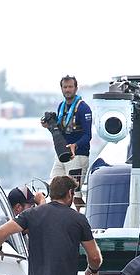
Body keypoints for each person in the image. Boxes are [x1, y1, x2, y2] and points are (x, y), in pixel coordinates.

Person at [0, 175, 102, 275]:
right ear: (70, 193)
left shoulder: (31, 214)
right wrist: (93, 269)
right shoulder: (78, 219)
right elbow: (95, 257)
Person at [43, 75, 92, 208]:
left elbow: (88, 135)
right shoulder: (61, 107)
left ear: (76, 88)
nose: (68, 90)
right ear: (61, 89)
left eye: (70, 87)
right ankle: (56, 218)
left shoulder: (83, 108)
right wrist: (49, 127)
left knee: (75, 194)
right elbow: (61, 131)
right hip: (62, 154)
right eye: (65, 87)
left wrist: (75, 146)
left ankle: (82, 221)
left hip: (78, 155)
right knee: (54, 188)